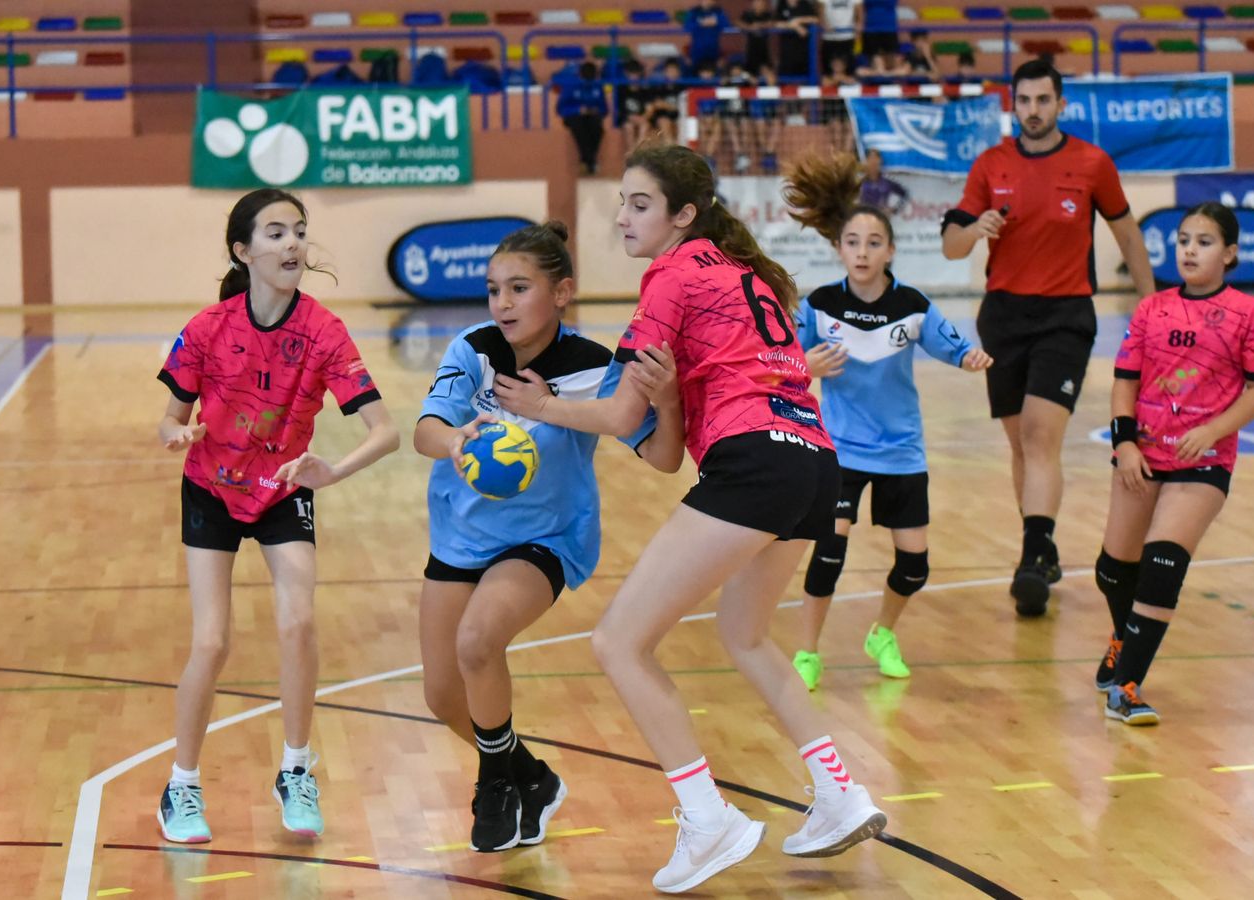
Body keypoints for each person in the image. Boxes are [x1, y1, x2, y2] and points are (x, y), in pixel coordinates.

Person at [493, 143, 887, 894]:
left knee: (618, 641)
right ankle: (839, 792)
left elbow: (616, 413)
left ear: (683, 214)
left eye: (640, 205)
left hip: (756, 464)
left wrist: (543, 407)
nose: (624, 217)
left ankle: (707, 815)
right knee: (745, 635)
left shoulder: (670, 277)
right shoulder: (749, 275)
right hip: (813, 462)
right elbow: (667, 451)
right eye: (622, 203)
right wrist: (671, 402)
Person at [412, 221, 677, 850]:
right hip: (460, 536)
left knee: (478, 643)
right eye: (493, 289)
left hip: (546, 539)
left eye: (519, 287)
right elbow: (426, 429)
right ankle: (531, 777)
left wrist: (668, 402)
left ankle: (495, 784)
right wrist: (453, 439)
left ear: (561, 294)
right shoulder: (472, 349)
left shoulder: (594, 369)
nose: (501, 302)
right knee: (444, 696)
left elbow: (665, 459)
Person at [154, 189, 399, 844]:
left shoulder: (323, 331)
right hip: (211, 487)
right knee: (212, 641)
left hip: (284, 488)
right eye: (274, 233)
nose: (292, 244)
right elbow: (168, 418)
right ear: (244, 250)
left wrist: (332, 471)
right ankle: (181, 786)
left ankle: (295, 769)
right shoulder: (208, 328)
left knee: (300, 622)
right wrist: (175, 433)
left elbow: (386, 432)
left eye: (299, 231)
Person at [941, 58, 1156, 618]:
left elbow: (1129, 236)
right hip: (1003, 317)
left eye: (1043, 100)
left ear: (1061, 105)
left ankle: (1033, 558)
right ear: (1013, 105)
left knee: (1040, 437)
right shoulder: (990, 164)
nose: (1033, 110)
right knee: (1021, 445)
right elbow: (951, 246)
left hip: (1065, 316)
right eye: (1024, 101)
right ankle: (1044, 543)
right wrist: (974, 227)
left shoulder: (1091, 163)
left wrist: (1153, 308)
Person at [782, 153, 992, 690]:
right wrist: (805, 366)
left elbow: (954, 346)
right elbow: (779, 364)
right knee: (830, 551)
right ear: (838, 248)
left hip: (902, 451)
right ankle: (807, 652)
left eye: (874, 243)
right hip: (842, 450)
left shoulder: (913, 306)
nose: (862, 252)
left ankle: (882, 632)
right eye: (853, 242)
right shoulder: (820, 306)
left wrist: (971, 358)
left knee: (914, 566)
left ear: (891, 251)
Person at [1097, 202, 1254, 725]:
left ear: (1231, 253)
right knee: (1113, 570)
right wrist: (1125, 443)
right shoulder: (1151, 309)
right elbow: (1124, 381)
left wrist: (1212, 431)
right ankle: (1120, 639)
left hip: (1204, 460)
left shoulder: (1250, 314)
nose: (1189, 250)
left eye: (1203, 242)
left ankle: (1127, 686)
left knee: (1163, 563)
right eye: (1183, 241)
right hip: (1143, 453)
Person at [556, 61, 608, 175]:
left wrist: (595, 110)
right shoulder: (571, 85)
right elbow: (560, 108)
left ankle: (586, 160)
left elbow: (604, 109)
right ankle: (590, 161)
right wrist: (577, 110)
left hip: (592, 116)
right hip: (573, 117)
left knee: (597, 129)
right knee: (579, 127)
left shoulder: (597, 86)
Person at [775, 0, 819, 80]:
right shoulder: (782, 4)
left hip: (803, 50)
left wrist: (798, 20)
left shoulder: (804, 3)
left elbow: (815, 19)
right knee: (785, 81)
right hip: (787, 52)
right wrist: (796, 27)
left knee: (806, 81)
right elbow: (777, 23)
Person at [685, 0, 732, 72]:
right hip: (697, 50)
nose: (708, 1)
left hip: (713, 49)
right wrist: (701, 24)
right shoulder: (694, 11)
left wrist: (717, 22)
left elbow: (727, 25)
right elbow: (687, 26)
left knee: (715, 71)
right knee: (694, 71)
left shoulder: (718, 11)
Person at [858, 148, 908, 214]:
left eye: (876, 158)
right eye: (870, 158)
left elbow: (905, 194)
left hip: (881, 219)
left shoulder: (887, 181)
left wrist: (894, 209)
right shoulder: (860, 181)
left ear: (880, 160)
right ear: (866, 161)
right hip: (863, 219)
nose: (873, 161)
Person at [818, 0, 862, 76]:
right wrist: (824, 24)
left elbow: (860, 12)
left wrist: (858, 28)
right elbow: (820, 12)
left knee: (849, 70)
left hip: (848, 36)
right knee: (828, 71)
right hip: (829, 37)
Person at [740, 0, 776, 75]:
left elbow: (773, 23)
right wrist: (750, 27)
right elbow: (738, 23)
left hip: (764, 51)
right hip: (751, 50)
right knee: (749, 76)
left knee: (770, 74)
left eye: (761, 3)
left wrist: (760, 25)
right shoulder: (748, 14)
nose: (759, 5)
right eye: (757, 2)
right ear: (753, 4)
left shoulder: (767, 14)